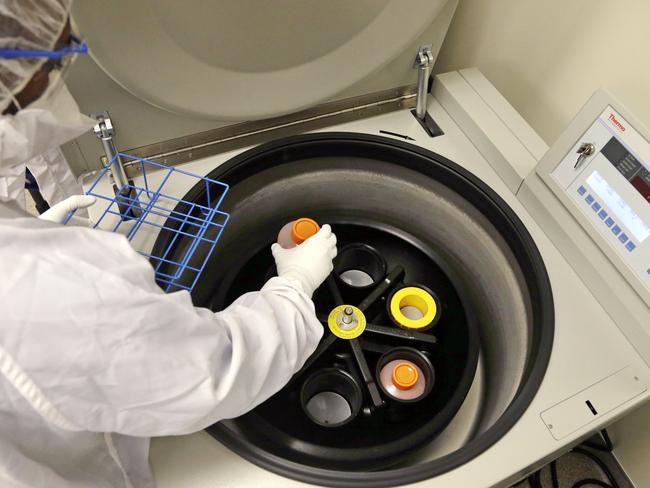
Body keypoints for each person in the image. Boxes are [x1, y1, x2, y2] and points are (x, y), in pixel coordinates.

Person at [0, 1, 337, 487]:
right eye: (52, 65)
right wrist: (295, 286)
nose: (62, 74)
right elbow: (215, 373)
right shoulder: (47, 292)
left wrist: (28, 234)